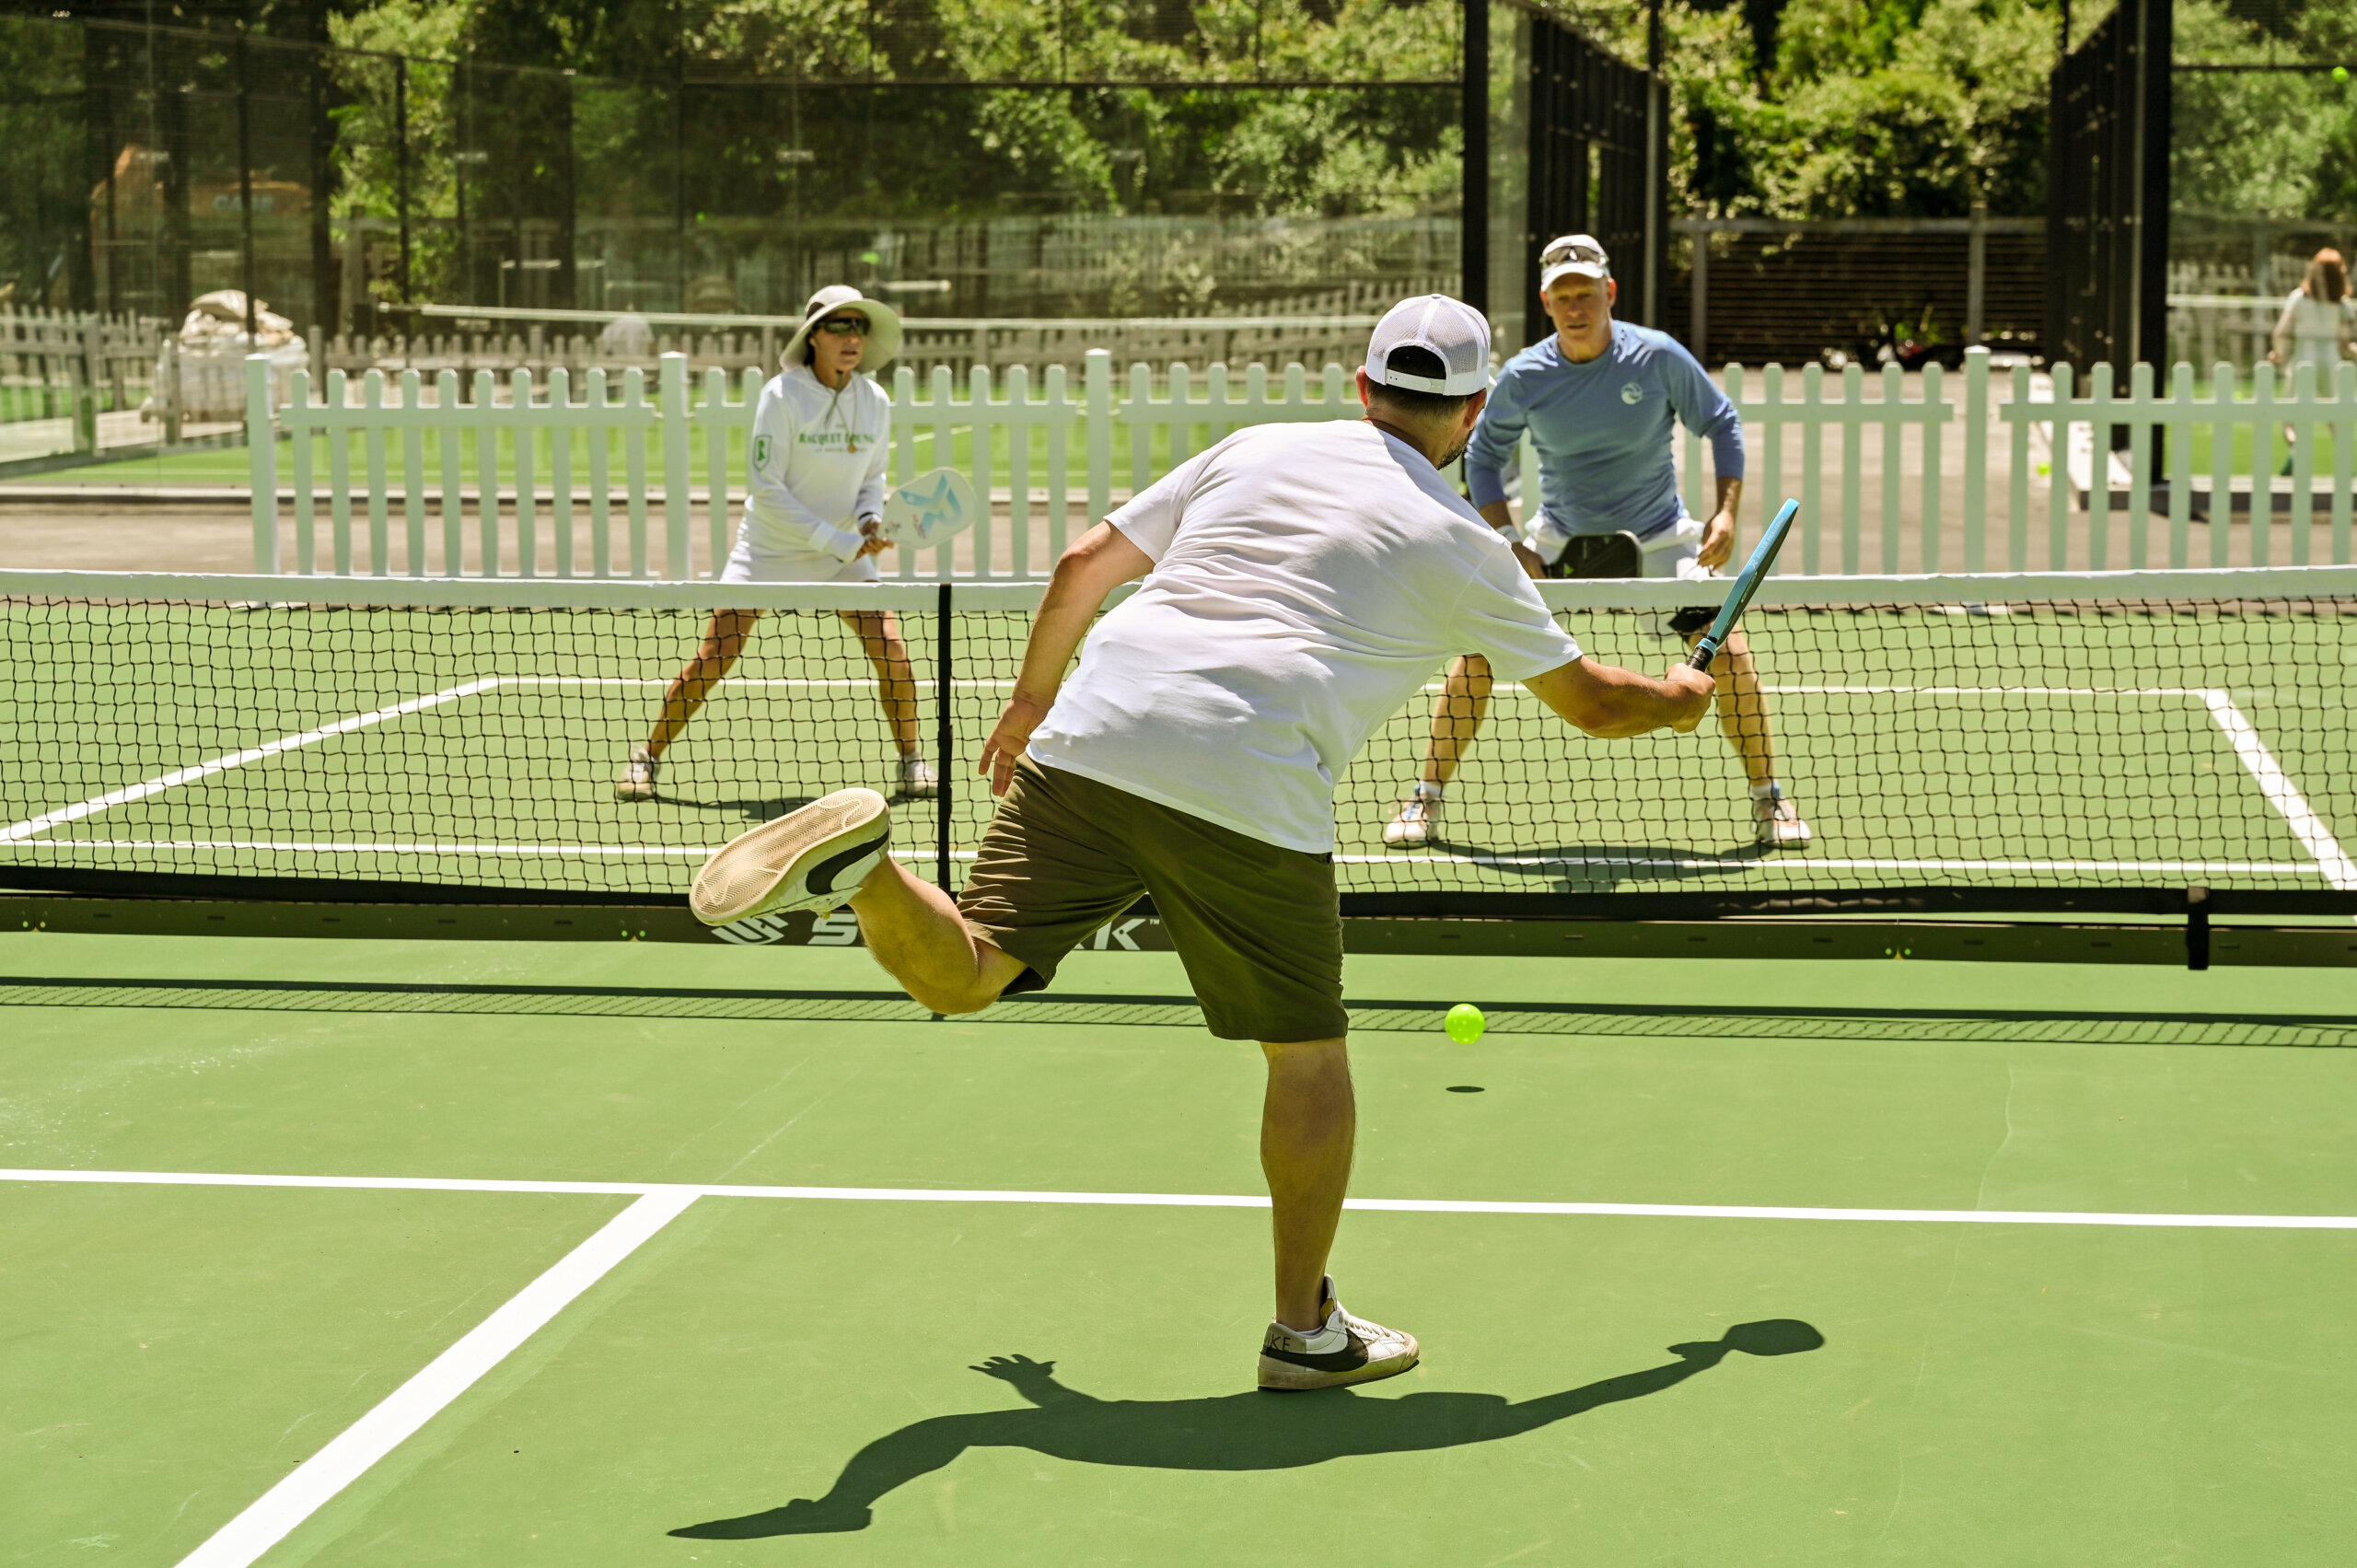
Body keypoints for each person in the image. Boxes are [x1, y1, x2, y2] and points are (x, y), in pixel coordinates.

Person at [687, 296, 1714, 1389]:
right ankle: (1302, 1332)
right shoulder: (1464, 544)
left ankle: (869, 870)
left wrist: (1034, 703)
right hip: (1249, 772)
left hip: (1099, 719)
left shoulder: (1258, 446)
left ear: (1363, 389)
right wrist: (1679, 694)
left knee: (970, 973)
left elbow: (1085, 560)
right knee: (1306, 1054)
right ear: (1468, 417)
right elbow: (1598, 704)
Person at [1380, 235, 1810, 852]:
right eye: (1563, 296)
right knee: (1476, 654)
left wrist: (1725, 514)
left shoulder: (1658, 357)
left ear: (1608, 293)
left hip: (1661, 539)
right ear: (1546, 303)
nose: (1576, 306)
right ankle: (1425, 798)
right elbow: (1484, 453)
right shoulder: (1526, 375)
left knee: (1730, 654)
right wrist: (1507, 539)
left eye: (1586, 293)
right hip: (1557, 545)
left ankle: (1770, 799)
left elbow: (1721, 421)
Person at [617, 285, 935, 802]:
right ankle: (646, 758)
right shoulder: (781, 396)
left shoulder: (875, 401)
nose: (852, 336)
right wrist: (834, 539)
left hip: (845, 557)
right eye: (839, 325)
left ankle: (912, 761)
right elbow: (767, 487)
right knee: (715, 657)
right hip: (769, 550)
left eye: (859, 326)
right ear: (814, 337)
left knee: (891, 651)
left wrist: (870, 519)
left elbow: (871, 478)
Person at [2269, 249, 2355, 471]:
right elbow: (2345, 344)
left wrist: (2278, 353)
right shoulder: (2341, 305)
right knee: (2334, 414)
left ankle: (2296, 451)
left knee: (2290, 416)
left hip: (2303, 358)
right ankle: (2347, 463)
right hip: (2330, 360)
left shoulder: (2299, 298)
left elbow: (2281, 331)